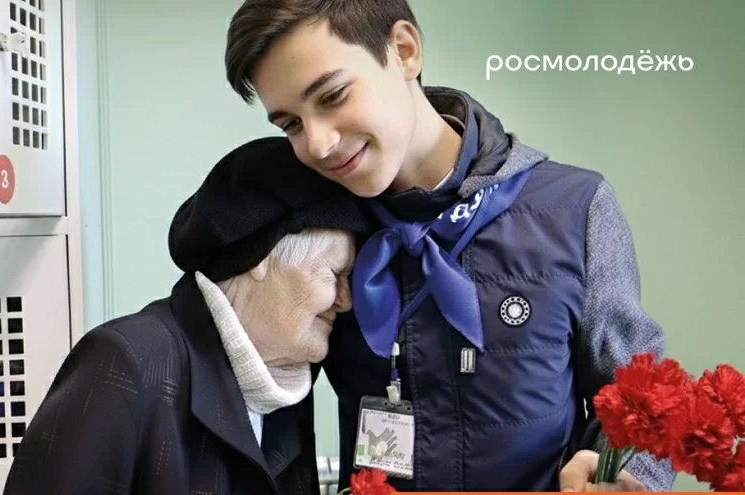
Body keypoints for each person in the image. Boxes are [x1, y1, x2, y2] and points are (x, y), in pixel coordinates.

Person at [224, 0, 676, 492]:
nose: (317, 144)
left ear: (404, 50)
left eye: (332, 95)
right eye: (290, 124)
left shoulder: (577, 208)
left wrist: (624, 477)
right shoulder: (308, 232)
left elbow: (641, 399)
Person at [2, 137, 372, 494]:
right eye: (335, 274)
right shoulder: (127, 361)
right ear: (261, 258)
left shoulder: (283, 383)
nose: (346, 301)